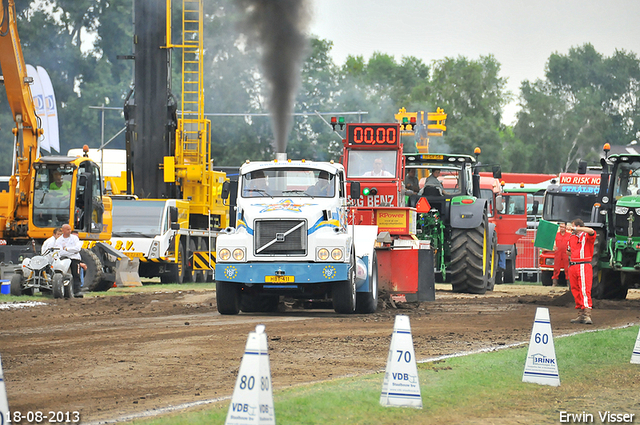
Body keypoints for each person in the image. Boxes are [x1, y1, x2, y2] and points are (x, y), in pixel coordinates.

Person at [566, 219, 596, 324]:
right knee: (575, 289)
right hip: (573, 265)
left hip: (583, 264)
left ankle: (587, 314)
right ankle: (581, 313)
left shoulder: (586, 235)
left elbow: (591, 231)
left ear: (578, 226)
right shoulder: (571, 238)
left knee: (584, 289)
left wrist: (574, 228)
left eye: (573, 226)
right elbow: (569, 252)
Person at [55, 224, 84, 298]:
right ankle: (65, 291)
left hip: (75, 258)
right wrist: (71, 250)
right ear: (63, 230)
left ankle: (77, 291)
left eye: (70, 229)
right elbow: (60, 251)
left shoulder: (74, 238)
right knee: (62, 273)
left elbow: (77, 248)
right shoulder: (59, 240)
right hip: (64, 258)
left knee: (76, 274)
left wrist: (67, 249)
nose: (70, 231)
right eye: (68, 229)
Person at [551, 222, 571, 287]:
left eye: (563, 227)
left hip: (565, 252)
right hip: (558, 252)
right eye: (560, 227)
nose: (562, 228)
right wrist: (553, 246)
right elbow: (550, 241)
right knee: (556, 267)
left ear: (565, 227)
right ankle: (554, 282)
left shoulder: (569, 235)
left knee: (567, 268)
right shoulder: (556, 235)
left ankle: (568, 282)